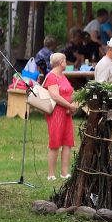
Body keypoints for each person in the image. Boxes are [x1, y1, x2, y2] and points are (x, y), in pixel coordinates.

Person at [42, 52, 78, 180]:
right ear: (61, 62)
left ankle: (64, 172)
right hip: (56, 113)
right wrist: (69, 105)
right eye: (65, 60)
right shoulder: (51, 76)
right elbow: (55, 96)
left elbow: (70, 91)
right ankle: (51, 174)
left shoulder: (62, 76)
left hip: (67, 113)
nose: (66, 63)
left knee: (67, 142)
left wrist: (73, 102)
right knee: (55, 142)